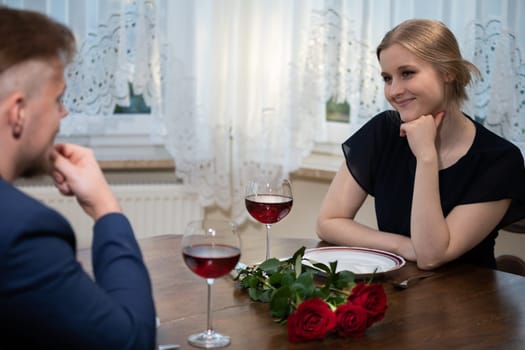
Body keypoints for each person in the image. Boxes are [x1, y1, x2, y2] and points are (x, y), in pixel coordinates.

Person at [0, 7, 156, 349]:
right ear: (18, 112)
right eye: (58, 99)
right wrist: (105, 207)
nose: (64, 112)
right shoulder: (23, 232)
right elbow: (131, 341)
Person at [316, 19, 525, 270]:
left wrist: (426, 156)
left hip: (469, 301)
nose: (393, 91)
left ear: (448, 72)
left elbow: (430, 256)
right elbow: (328, 221)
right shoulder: (384, 130)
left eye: (407, 73)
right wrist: (402, 246)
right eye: (387, 78)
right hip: (396, 290)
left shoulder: (498, 159)